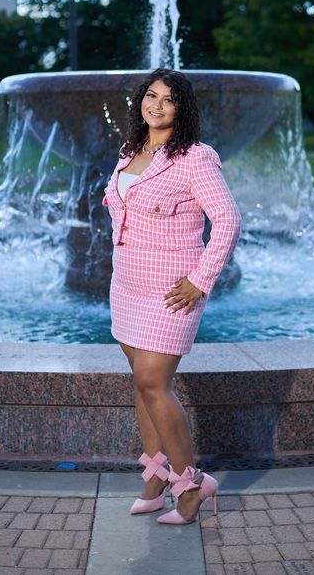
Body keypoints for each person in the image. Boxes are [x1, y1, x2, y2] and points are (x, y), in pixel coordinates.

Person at [101, 68, 242, 525]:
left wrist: (201, 279)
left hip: (172, 290)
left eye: (167, 99)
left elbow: (228, 220)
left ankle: (192, 486)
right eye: (150, 96)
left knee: (152, 383)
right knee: (140, 386)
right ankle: (155, 478)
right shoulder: (130, 151)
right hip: (126, 285)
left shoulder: (195, 158)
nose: (155, 105)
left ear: (182, 109)